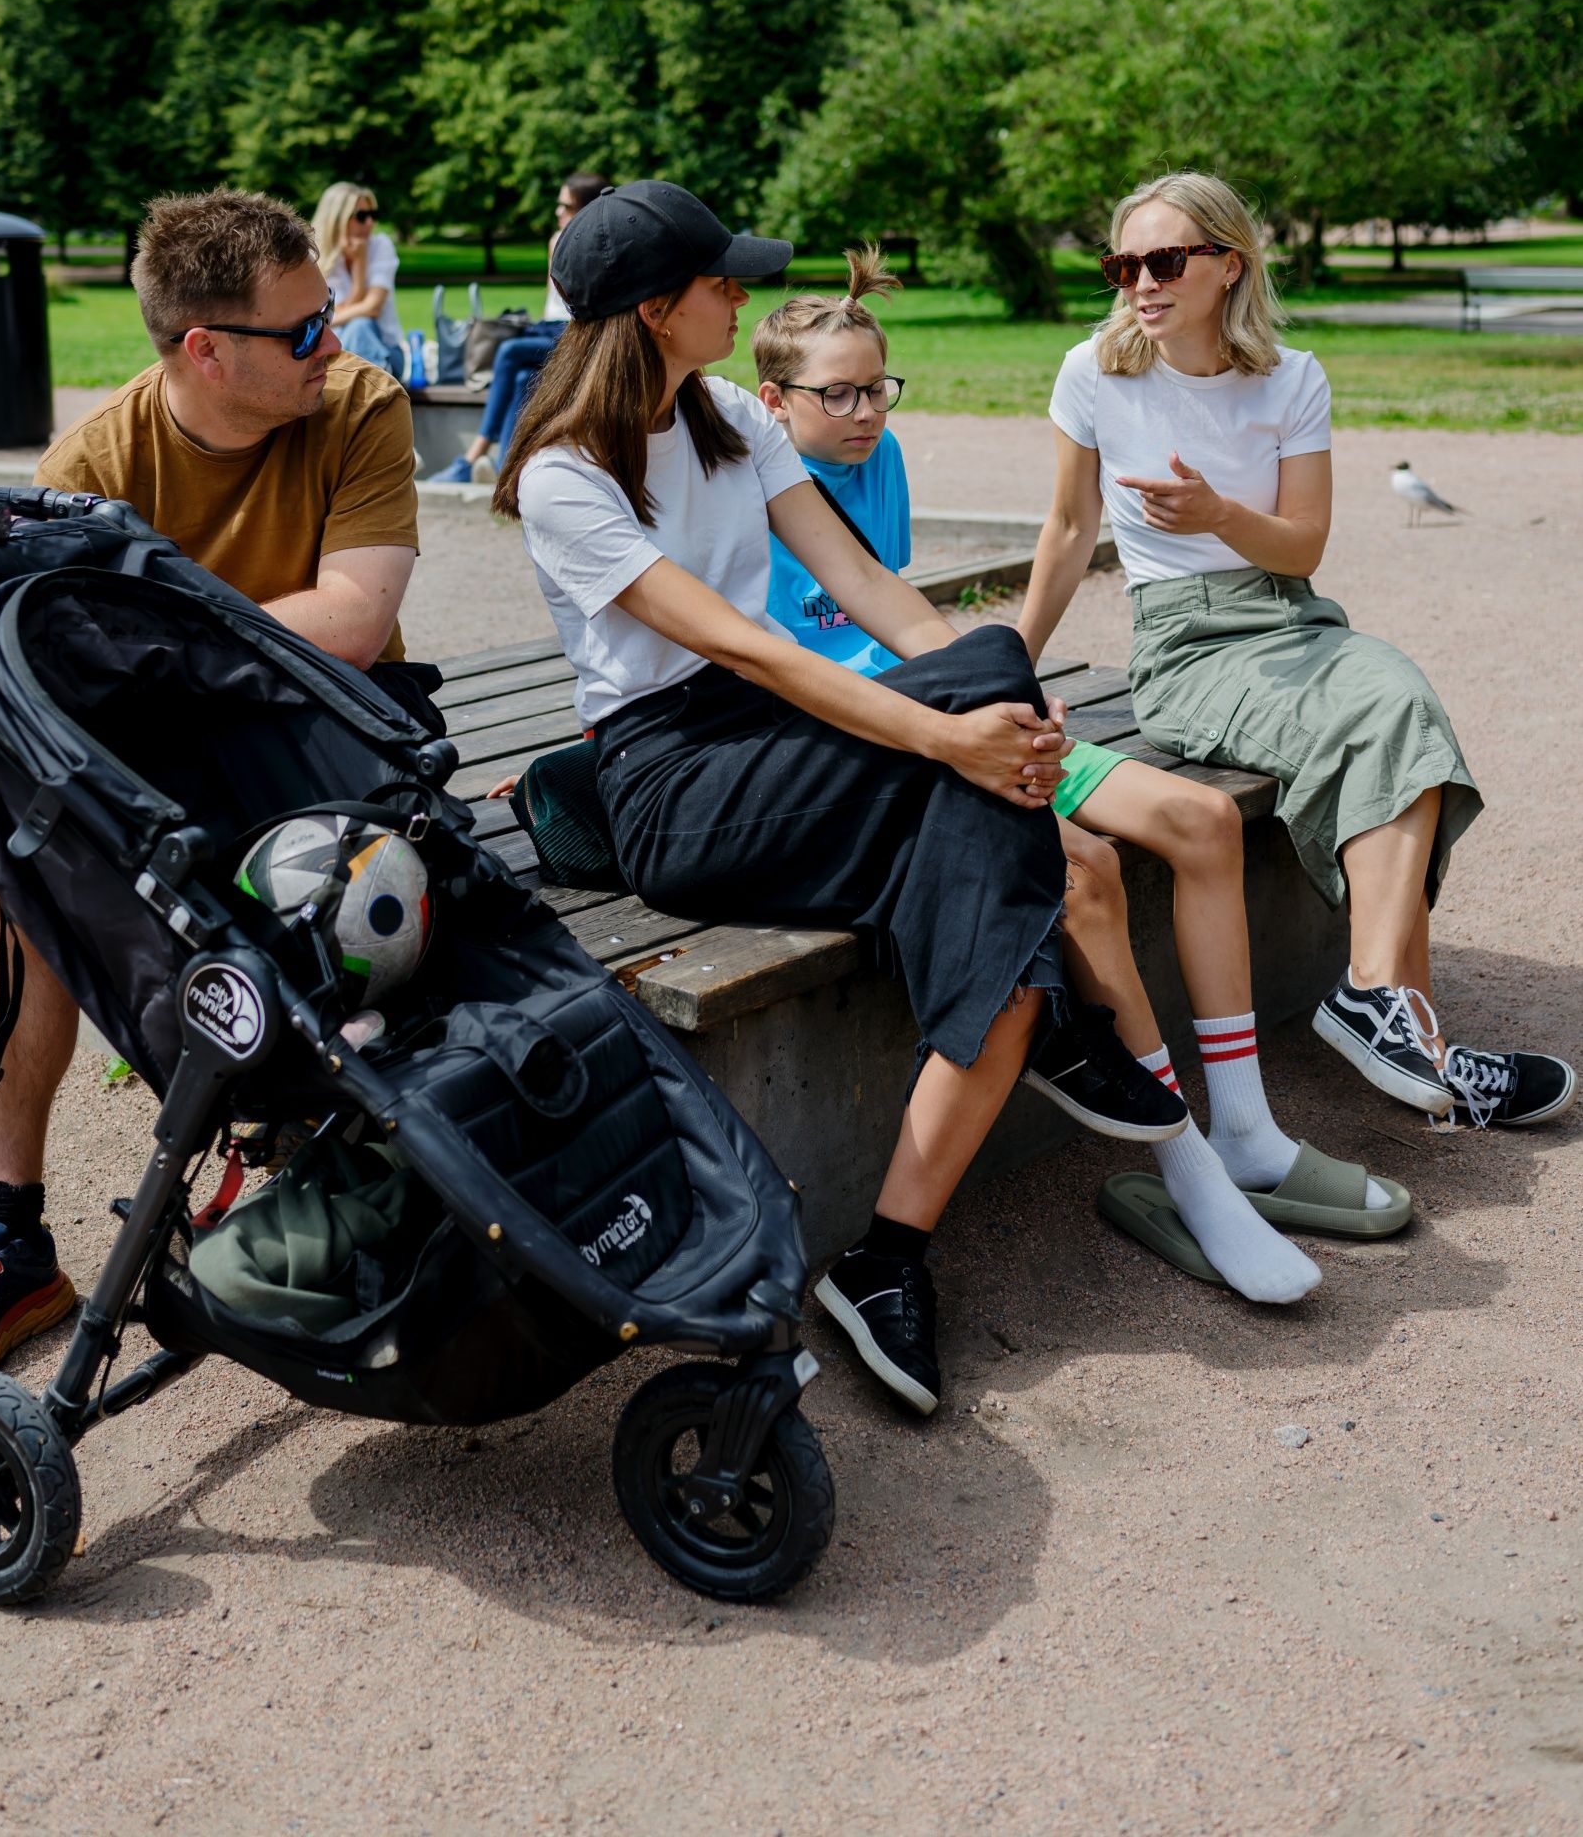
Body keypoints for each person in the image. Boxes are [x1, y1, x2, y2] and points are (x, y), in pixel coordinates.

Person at [495, 180, 1186, 1420]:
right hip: (675, 776)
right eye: (722, 283)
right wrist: (946, 737)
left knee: (983, 685)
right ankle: (1026, 1072)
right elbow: (753, 650)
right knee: (978, 792)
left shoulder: (717, 414)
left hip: (783, 737)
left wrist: (1000, 709)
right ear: (655, 309)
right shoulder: (563, 474)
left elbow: (857, 576)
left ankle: (886, 1258)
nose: (741, 293)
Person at [0, 188, 424, 1377]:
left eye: (325, 315)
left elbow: (350, 623)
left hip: (332, 732)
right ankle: (7, 1234)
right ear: (204, 348)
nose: (329, 343)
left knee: (359, 878)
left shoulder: (355, 403)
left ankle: (358, 1172)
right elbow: (34, 678)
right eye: (300, 328)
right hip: (175, 747)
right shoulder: (86, 468)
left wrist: (150, 654)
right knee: (12, 874)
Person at [755, 249, 1345, 1301]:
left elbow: (902, 620)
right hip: (877, 748)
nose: (859, 413)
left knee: (1202, 819)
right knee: (1085, 871)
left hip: (950, 719)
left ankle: (1244, 1125)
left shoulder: (875, 460)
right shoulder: (756, 480)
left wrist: (1001, 686)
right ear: (771, 399)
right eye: (832, 393)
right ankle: (1187, 1163)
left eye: (873, 388)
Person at [1016, 167, 1576, 1136]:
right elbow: (1067, 531)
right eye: (1123, 264)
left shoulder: (1290, 375)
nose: (1139, 282)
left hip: (1289, 613)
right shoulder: (1092, 373)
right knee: (1382, 715)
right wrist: (1005, 665)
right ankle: (1416, 1041)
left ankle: (1383, 1008)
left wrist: (1217, 513)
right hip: (1185, 646)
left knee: (1395, 699)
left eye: (1163, 260)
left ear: (1227, 264)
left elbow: (1301, 544)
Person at [430, 171, 609, 483]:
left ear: (585, 210)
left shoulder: (597, 249)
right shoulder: (557, 241)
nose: (557, 212)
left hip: (574, 336)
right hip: (550, 330)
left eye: (565, 207)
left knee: (510, 350)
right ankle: (506, 471)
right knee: (523, 378)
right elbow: (551, 299)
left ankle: (474, 455)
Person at [312, 181, 406, 379]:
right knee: (355, 328)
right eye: (362, 217)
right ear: (337, 219)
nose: (370, 223)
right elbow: (319, 320)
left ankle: (377, 390)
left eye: (373, 215)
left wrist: (360, 263)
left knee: (361, 325)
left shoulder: (381, 246)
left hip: (385, 351)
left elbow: (371, 308)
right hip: (336, 352)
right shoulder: (316, 257)